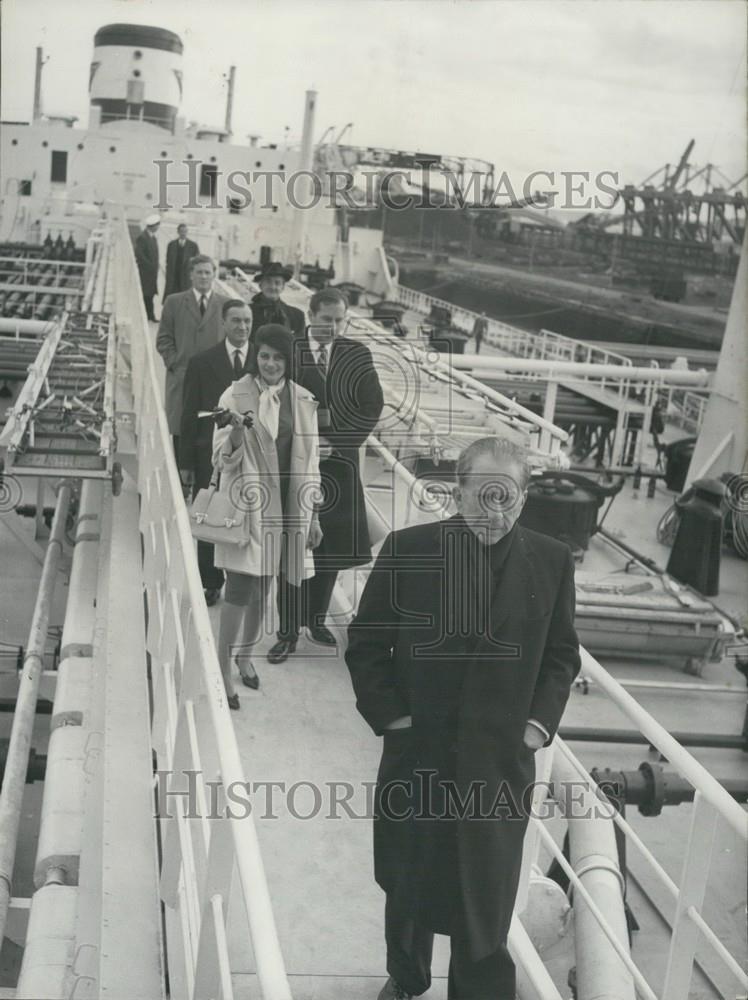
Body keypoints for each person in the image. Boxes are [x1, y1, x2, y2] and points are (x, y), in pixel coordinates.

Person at [345, 436, 581, 1000]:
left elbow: (560, 656)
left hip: (500, 764)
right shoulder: (407, 551)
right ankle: (406, 978)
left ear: (524, 499)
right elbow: (367, 646)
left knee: (487, 893)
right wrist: (395, 720)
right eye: (484, 498)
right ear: (458, 492)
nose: (496, 513)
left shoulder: (550, 561)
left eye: (509, 499)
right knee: (409, 882)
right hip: (419, 755)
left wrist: (535, 728)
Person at [267, 287, 384, 662]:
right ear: (311, 315)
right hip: (295, 462)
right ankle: (287, 630)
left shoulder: (357, 354)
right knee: (291, 545)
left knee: (329, 548)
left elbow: (371, 406)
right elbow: (271, 401)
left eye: (339, 320)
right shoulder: (290, 352)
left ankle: (316, 619)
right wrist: (307, 444)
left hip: (339, 463)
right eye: (325, 320)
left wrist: (341, 442)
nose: (332, 327)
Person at [211, 324, 322, 709]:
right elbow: (220, 460)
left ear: (288, 361)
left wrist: (315, 517)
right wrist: (237, 435)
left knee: (265, 588)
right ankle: (222, 669)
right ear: (255, 356)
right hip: (249, 507)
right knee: (240, 587)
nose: (270, 363)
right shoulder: (235, 394)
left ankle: (245, 655)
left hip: (288, 509)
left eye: (277, 357)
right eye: (264, 356)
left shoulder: (304, 399)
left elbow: (313, 461)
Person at [179, 299, 254, 605]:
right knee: (211, 514)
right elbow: (188, 413)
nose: (242, 327)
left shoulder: (262, 364)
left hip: (250, 457)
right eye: (236, 321)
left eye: (247, 321)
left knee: (244, 515)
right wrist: (185, 462)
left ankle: (240, 578)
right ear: (223, 324)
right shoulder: (201, 362)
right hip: (209, 454)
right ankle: (210, 581)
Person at [156, 255, 230, 456]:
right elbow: (163, 339)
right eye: (199, 272)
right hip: (182, 377)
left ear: (214, 275)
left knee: (211, 431)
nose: (203, 276)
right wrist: (175, 363)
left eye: (208, 272)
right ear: (191, 275)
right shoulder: (174, 302)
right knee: (182, 432)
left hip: (213, 380)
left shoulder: (226, 305)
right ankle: (180, 481)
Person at [249, 261, 306, 343]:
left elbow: (299, 347)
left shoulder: (297, 316)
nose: (273, 287)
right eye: (268, 282)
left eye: (277, 283)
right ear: (260, 285)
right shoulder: (248, 312)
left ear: (283, 287)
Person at [134, 214, 161, 321]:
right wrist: (149, 266)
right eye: (157, 225)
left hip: (152, 272)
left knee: (150, 294)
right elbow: (139, 254)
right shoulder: (143, 237)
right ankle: (148, 315)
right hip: (145, 272)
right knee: (146, 294)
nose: (158, 228)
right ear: (153, 226)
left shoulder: (152, 238)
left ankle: (149, 315)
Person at [163, 223, 199, 301]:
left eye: (185, 231)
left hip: (186, 277)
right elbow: (168, 261)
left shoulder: (193, 246)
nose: (183, 233)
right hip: (173, 276)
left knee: (184, 298)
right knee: (172, 297)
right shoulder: (171, 245)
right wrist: (168, 275)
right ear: (178, 232)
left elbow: (197, 262)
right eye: (181, 231)